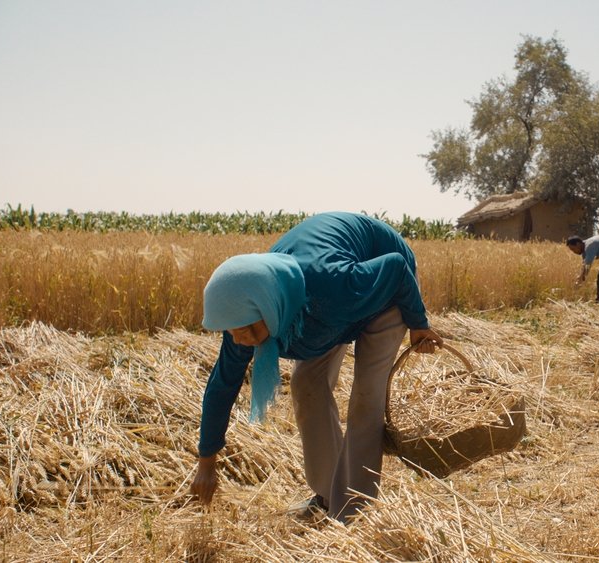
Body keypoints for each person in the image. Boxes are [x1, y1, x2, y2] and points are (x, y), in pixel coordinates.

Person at [190, 211, 443, 524]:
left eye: (242, 328)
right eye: (230, 331)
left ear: (267, 305)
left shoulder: (332, 284)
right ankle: (327, 496)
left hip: (386, 291)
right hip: (323, 313)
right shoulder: (248, 316)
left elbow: (395, 268)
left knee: (366, 397)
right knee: (306, 385)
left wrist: (419, 324)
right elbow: (222, 387)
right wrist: (206, 463)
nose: (239, 339)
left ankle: (354, 512)